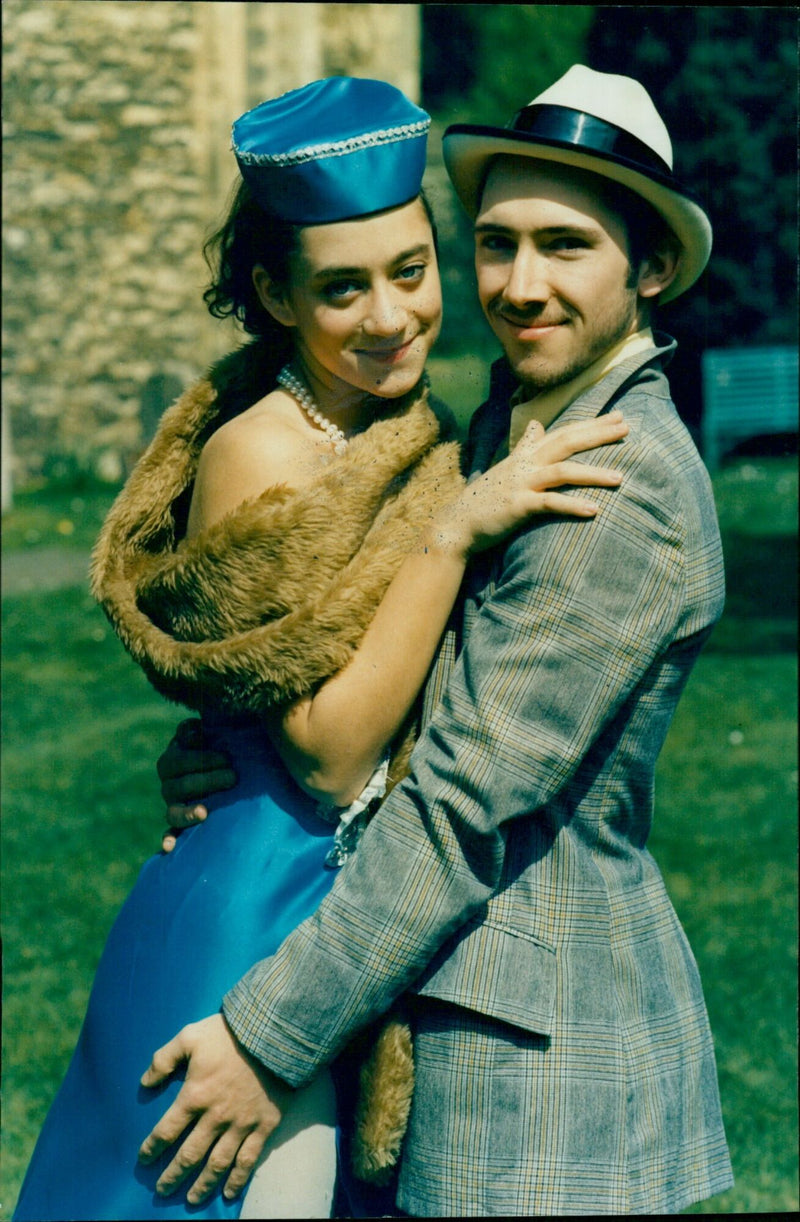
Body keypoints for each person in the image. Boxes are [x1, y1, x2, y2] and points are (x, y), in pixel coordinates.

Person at [12, 76, 628, 1222]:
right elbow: (330, 756)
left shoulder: (392, 419)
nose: (390, 317)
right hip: (253, 914)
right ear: (272, 294)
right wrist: (454, 529)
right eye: (340, 289)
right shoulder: (261, 450)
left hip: (336, 917)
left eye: (411, 270)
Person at [145, 66, 736, 1217]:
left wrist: (263, 1041)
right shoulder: (507, 425)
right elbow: (390, 676)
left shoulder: (616, 483)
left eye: (564, 247)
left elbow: (463, 804)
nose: (519, 285)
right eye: (496, 244)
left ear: (650, 268)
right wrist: (236, 753)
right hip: (430, 1016)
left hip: (539, 1070)